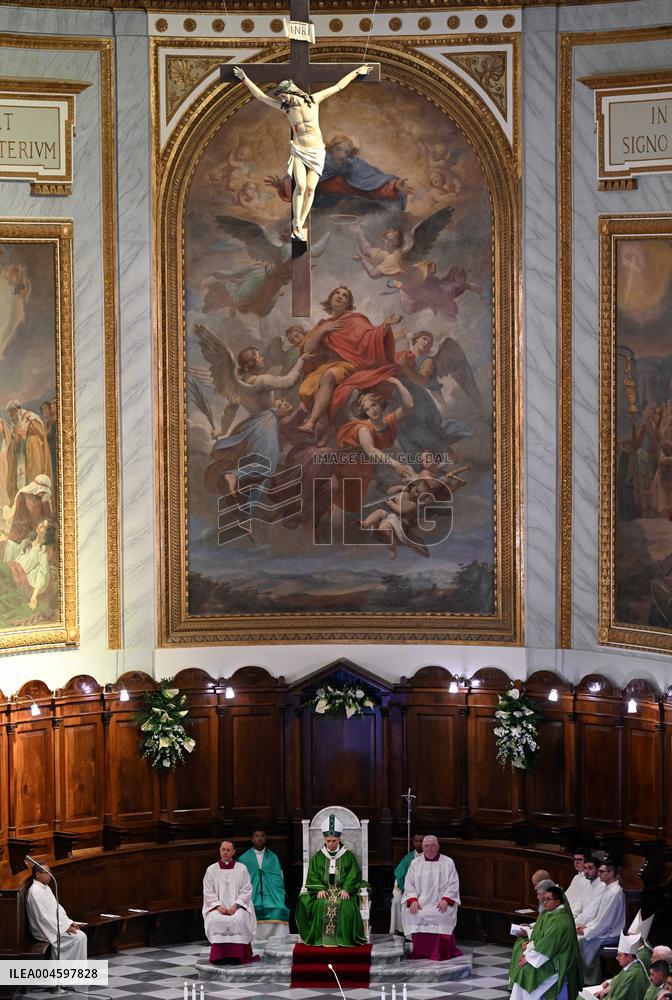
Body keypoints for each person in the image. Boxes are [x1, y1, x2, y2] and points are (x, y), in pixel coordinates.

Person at [233, 66, 374, 241]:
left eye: (284, 94)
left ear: (292, 91)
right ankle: (296, 225)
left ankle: (301, 220)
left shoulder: (313, 101)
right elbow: (261, 96)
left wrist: (355, 73)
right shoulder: (286, 109)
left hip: (316, 152)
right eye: (281, 96)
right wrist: (245, 79)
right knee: (299, 186)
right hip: (299, 151)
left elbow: (338, 87)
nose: (283, 98)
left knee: (310, 189)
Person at [297, 286, 401, 436]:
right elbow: (307, 349)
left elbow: (370, 338)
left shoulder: (355, 320)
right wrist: (323, 331)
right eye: (337, 293)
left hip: (350, 364)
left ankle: (311, 422)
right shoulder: (322, 325)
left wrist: (385, 325)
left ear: (348, 303)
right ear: (331, 298)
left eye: (344, 296)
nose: (340, 296)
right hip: (326, 366)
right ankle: (324, 425)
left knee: (330, 375)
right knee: (307, 387)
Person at [295, 813, 367, 946]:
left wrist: (346, 889)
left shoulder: (348, 856)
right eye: (328, 841)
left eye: (334, 841)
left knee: (346, 906)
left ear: (339, 839)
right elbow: (313, 874)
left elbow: (353, 874)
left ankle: (343, 939)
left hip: (342, 891)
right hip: (324, 890)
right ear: (325, 839)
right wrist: (319, 889)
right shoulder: (318, 857)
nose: (331, 844)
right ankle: (319, 939)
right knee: (319, 904)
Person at [509, 884, 583, 1000]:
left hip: (558, 960)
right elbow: (542, 938)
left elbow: (549, 944)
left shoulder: (560, 920)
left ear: (558, 901)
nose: (544, 902)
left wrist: (528, 958)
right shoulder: (551, 914)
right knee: (523, 966)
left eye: (548, 899)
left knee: (526, 971)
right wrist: (530, 945)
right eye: (544, 899)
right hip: (549, 955)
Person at [402, 834, 462, 960]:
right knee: (415, 913)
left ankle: (440, 952)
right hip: (421, 903)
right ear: (422, 848)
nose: (430, 848)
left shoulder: (448, 862)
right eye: (426, 846)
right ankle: (420, 952)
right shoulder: (415, 863)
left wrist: (446, 899)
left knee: (442, 915)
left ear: (438, 847)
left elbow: (453, 884)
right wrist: (413, 900)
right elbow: (409, 884)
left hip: (440, 903)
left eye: (433, 845)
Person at [202, 840, 258, 964]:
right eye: (223, 849)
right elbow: (208, 892)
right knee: (215, 919)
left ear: (233, 852)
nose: (225, 852)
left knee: (239, 919)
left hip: (237, 907)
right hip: (218, 908)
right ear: (220, 851)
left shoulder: (241, 869)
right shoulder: (211, 870)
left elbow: (247, 889)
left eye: (228, 850)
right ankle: (219, 957)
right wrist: (218, 906)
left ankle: (236, 956)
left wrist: (236, 905)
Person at [577, 861, 626, 984]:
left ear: (611, 873)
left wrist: (587, 931)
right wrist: (586, 926)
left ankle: (590, 980)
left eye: (602, 871)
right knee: (579, 936)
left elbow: (606, 922)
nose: (599, 874)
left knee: (584, 941)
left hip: (611, 933)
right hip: (602, 929)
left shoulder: (615, 892)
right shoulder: (608, 889)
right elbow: (599, 917)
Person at [26, 864, 87, 960]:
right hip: (45, 929)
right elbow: (43, 917)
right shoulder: (34, 891)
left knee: (81, 936)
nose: (50, 875)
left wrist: (68, 922)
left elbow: (57, 908)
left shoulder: (45, 887)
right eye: (47, 873)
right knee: (79, 937)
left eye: (50, 872)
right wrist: (63, 927)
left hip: (54, 925)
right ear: (38, 874)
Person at [237, 830, 290, 940]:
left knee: (279, 907)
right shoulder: (244, 858)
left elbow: (278, 880)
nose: (260, 838)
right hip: (252, 897)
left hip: (272, 897)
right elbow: (240, 882)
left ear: (265, 839)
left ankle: (278, 938)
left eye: (262, 836)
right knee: (249, 909)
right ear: (252, 839)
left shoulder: (273, 857)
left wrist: (281, 894)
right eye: (257, 836)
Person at [5, 400, 52, 500]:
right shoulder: (15, 426)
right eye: (10, 416)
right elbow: (13, 444)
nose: (12, 419)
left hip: (33, 459)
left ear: (18, 410)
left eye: (12, 415)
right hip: (21, 461)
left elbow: (41, 438)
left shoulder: (31, 419)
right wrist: (16, 441)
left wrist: (26, 439)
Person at [390, 833, 423, 935]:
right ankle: (400, 929)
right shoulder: (408, 858)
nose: (418, 844)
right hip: (407, 890)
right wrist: (404, 890)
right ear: (412, 842)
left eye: (421, 841)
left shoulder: (429, 858)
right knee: (397, 901)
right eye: (416, 841)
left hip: (422, 892)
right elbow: (399, 876)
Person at [603, 933, 650, 1000]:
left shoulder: (634, 974)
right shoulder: (629, 967)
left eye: (619, 955)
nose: (617, 958)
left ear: (629, 956)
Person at [572, 857, 606, 927]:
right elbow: (578, 904)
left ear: (598, 870)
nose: (586, 871)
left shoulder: (602, 886)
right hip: (580, 921)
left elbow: (591, 913)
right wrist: (570, 917)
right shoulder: (587, 883)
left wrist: (574, 923)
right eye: (585, 868)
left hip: (591, 925)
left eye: (590, 868)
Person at [566, 847, 591, 914]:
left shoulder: (588, 880)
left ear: (587, 861)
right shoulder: (576, 877)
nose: (576, 862)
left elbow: (580, 903)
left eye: (579, 860)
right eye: (575, 859)